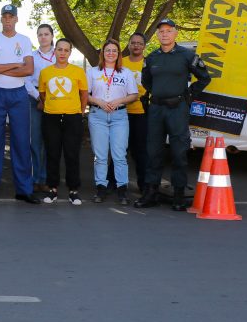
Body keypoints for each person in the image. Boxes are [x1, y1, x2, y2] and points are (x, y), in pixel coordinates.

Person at [136, 18, 211, 211]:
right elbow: (147, 82)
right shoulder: (151, 58)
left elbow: (204, 78)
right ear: (158, 35)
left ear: (175, 33)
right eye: (161, 31)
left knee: (179, 152)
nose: (165, 34)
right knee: (153, 152)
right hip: (157, 109)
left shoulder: (187, 56)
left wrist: (188, 95)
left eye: (168, 31)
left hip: (178, 109)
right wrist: (160, 93)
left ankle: (178, 194)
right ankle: (151, 192)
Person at [0, 4, 39, 204]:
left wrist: (0, 69)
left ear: (16, 19)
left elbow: (29, 69)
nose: (7, 19)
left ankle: (24, 189)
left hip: (18, 94)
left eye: (11, 16)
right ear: (1, 19)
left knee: (22, 141)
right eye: (4, 16)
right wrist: (15, 64)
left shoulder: (24, 40)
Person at [87, 39, 138, 205]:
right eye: (107, 50)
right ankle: (101, 188)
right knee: (100, 155)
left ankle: (122, 190)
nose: (111, 53)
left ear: (118, 54)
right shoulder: (93, 72)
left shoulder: (126, 72)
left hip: (119, 116)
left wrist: (118, 101)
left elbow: (134, 95)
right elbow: (85, 95)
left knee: (119, 156)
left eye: (114, 51)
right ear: (102, 53)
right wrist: (98, 101)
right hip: (98, 115)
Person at [38, 38, 88, 205]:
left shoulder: (78, 71)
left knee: (72, 154)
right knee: (52, 153)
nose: (62, 53)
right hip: (50, 117)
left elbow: (84, 94)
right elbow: (43, 94)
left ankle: (73, 190)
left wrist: (80, 112)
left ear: (70, 52)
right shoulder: (45, 72)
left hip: (72, 117)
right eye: (59, 49)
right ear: (55, 51)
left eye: (66, 50)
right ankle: (52, 189)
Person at [108, 32, 150, 194]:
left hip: (141, 113)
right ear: (129, 44)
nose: (136, 46)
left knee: (140, 150)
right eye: (133, 43)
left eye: (139, 43)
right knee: (119, 149)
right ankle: (111, 181)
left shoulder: (149, 63)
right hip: (121, 112)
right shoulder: (121, 63)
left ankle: (144, 184)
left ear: (144, 46)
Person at [26, 24, 55, 192]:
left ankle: (46, 178)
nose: (43, 37)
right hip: (35, 99)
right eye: (40, 34)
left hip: (56, 100)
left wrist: (49, 98)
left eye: (46, 34)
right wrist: (39, 97)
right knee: (35, 141)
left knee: (50, 140)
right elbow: (26, 80)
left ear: (52, 36)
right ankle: (35, 178)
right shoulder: (31, 56)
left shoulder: (58, 54)